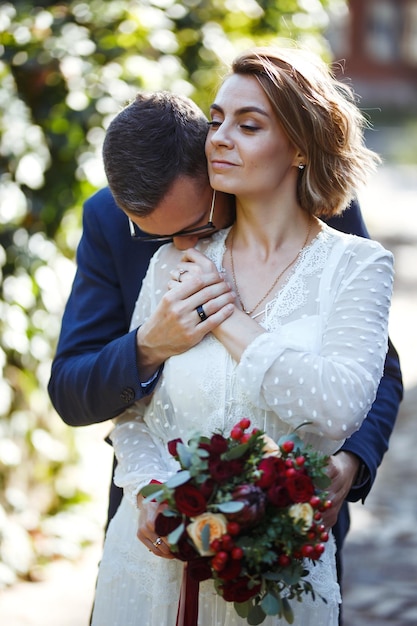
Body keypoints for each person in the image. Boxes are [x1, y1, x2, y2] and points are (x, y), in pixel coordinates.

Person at [87, 48, 396, 625]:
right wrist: (153, 488)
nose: (220, 138)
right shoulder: (173, 263)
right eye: (215, 119)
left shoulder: (358, 266)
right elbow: (134, 416)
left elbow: (338, 406)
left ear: (302, 147)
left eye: (248, 125)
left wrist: (226, 316)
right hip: (154, 570)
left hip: (278, 577)